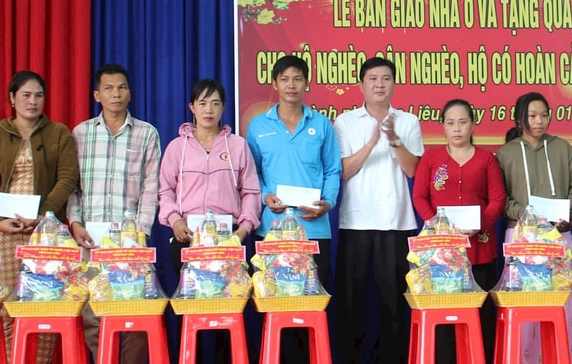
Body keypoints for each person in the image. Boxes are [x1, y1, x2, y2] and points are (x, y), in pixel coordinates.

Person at [0, 70, 79, 363]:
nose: (32, 101)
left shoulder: (58, 132)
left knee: (45, 302)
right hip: (4, 231)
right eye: (26, 95)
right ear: (12, 98)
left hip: (44, 231)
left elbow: (67, 178)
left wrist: (44, 215)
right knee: (5, 305)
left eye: (38, 95)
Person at [246, 56, 340, 363]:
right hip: (272, 232)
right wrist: (264, 195)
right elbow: (251, 174)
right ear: (274, 84)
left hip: (313, 230)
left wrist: (328, 202)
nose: (291, 85)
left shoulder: (322, 124)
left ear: (306, 83)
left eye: (297, 78)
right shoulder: (258, 126)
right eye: (284, 79)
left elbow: (332, 170)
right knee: (274, 307)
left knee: (309, 308)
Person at [67, 64, 163, 364]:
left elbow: (152, 185)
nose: (116, 94)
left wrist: (141, 231)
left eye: (121, 87)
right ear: (97, 94)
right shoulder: (80, 133)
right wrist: (75, 222)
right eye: (108, 88)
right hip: (90, 240)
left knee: (135, 311)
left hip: (130, 241)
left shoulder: (146, 133)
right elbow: (73, 186)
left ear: (130, 93)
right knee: (92, 312)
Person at [334, 56, 424, 364]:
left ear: (394, 84)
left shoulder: (409, 121)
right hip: (356, 221)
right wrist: (372, 143)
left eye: (385, 79)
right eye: (373, 79)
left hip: (396, 222)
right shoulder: (345, 122)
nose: (379, 85)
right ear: (361, 84)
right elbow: (343, 171)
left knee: (395, 301)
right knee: (351, 300)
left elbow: (413, 171)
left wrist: (395, 141)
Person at [495, 92, 572, 364]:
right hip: (521, 238)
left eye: (544, 115)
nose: (539, 121)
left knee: (560, 301)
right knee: (524, 303)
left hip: (558, 236)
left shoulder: (561, 148)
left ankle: (559, 357)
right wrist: (522, 214)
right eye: (532, 116)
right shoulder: (506, 153)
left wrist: (569, 215)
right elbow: (501, 198)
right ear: (520, 118)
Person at [413, 99, 506, 364]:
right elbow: (419, 197)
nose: (457, 129)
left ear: (473, 124)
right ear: (443, 127)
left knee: (479, 313)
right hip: (441, 251)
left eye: (462, 122)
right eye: (450, 123)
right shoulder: (431, 158)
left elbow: (498, 199)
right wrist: (439, 227)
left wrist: (480, 226)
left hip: (479, 247)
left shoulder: (487, 159)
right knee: (444, 312)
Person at [160, 78, 262, 267]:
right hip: (188, 234)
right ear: (192, 107)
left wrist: (244, 229)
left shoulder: (238, 145)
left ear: (223, 107)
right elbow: (165, 191)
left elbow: (251, 191)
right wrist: (175, 221)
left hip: (228, 235)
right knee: (192, 295)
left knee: (229, 295)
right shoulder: (176, 147)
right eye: (202, 103)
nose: (209, 110)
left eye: (215, 103)